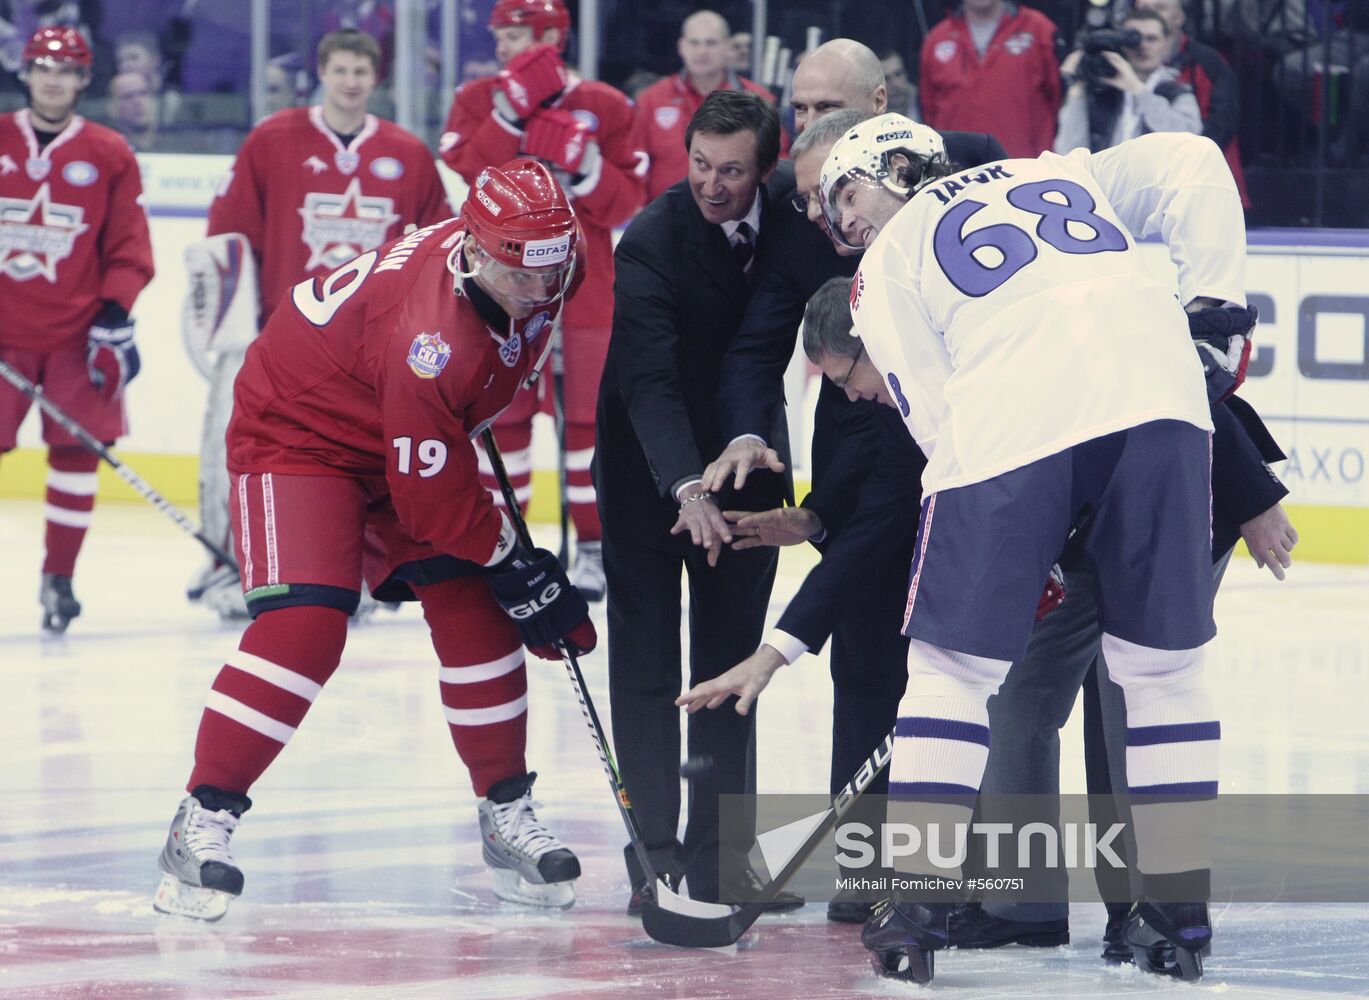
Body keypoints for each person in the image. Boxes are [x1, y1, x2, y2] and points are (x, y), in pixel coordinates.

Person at [809, 118, 1244, 983]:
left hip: (1013, 417)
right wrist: (1217, 308)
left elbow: (935, 414)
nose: (841, 223)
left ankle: (915, 908)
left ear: (894, 168)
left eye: (845, 195)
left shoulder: (884, 266)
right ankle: (1173, 915)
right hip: (1162, 399)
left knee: (948, 669)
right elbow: (1193, 159)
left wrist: (1020, 550)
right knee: (1163, 675)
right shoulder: (1058, 169)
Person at [154, 158, 597, 922]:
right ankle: (201, 818)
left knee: (475, 610)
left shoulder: (554, 254)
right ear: (474, 250)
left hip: (403, 422)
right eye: (520, 276)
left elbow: (451, 431)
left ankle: (505, 812)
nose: (538, 292)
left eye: (548, 274)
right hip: (300, 432)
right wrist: (513, 559)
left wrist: (504, 569)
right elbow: (430, 502)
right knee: (306, 625)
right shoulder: (430, 339)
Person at [698, 41, 1005, 924]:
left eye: (823, 107)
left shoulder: (968, 161)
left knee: (968, 671)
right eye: (795, 108)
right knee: (867, 662)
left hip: (967, 448)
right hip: (863, 448)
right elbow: (762, 338)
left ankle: (967, 879)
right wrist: (779, 462)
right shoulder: (799, 200)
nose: (803, 125)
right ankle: (871, 874)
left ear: (880, 103)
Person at [596, 90, 801, 915]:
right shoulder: (651, 239)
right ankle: (654, 858)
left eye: (731, 172)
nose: (711, 186)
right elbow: (647, 380)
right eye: (699, 166)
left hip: (749, 471)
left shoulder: (793, 211)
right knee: (645, 664)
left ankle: (720, 862)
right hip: (649, 472)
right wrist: (686, 487)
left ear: (765, 169)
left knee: (729, 665)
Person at [187, 28, 450, 619]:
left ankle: (369, 573)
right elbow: (230, 233)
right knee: (241, 448)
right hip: (279, 341)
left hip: (372, 347)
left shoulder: (408, 153)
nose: (351, 82)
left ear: (376, 78)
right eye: (341, 70)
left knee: (368, 457)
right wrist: (235, 330)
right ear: (322, 74)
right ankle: (233, 565)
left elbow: (436, 249)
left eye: (361, 71)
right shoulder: (272, 139)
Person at [440, 0, 646, 603]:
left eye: (516, 34)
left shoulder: (605, 104)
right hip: (497, 291)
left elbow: (626, 203)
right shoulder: (479, 98)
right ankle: (503, 546)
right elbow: (471, 175)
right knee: (501, 423)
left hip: (585, 293)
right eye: (499, 34)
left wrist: (586, 168)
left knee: (587, 426)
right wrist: (508, 114)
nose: (501, 45)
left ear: (554, 35)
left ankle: (594, 550)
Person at [0, 26, 154, 633]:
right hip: (3, 334)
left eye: (65, 70)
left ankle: (58, 579)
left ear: (84, 80)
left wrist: (115, 314)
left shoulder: (110, 152)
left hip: (77, 334)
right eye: (42, 68)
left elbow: (129, 246)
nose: (53, 80)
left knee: (76, 457)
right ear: (25, 73)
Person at [633, 10, 783, 202]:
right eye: (694, 43)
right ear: (681, 47)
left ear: (728, 47)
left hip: (734, 212)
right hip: (665, 214)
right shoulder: (651, 100)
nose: (702, 51)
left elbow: (776, 165)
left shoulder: (758, 100)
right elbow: (634, 163)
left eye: (711, 43)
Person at [1135, 0, 1251, 205]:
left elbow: (1223, 124)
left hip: (1205, 184)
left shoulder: (1208, 62)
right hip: (1139, 186)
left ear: (1180, 17)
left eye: (1160, 8)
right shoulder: (1118, 66)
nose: (1151, 14)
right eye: (1144, 9)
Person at [919, 0, 1064, 157]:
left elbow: (1061, 101)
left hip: (1024, 167)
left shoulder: (1039, 30)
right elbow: (928, 112)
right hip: (958, 169)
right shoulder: (936, 40)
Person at [1055, 8, 1202, 152]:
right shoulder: (1104, 92)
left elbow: (1189, 139)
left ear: (1166, 45)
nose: (1143, 46)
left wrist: (1138, 90)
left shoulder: (1176, 92)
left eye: (1152, 39)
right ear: (1122, 44)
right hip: (1109, 169)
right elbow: (1069, 151)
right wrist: (1077, 88)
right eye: (1133, 39)